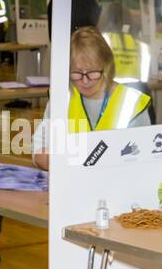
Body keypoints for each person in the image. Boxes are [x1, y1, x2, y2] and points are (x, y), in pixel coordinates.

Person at [32, 26, 151, 169]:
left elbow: (144, 156)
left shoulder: (131, 103)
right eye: (77, 73)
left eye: (92, 72)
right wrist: (53, 162)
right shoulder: (62, 98)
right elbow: (39, 145)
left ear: (106, 67)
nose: (85, 80)